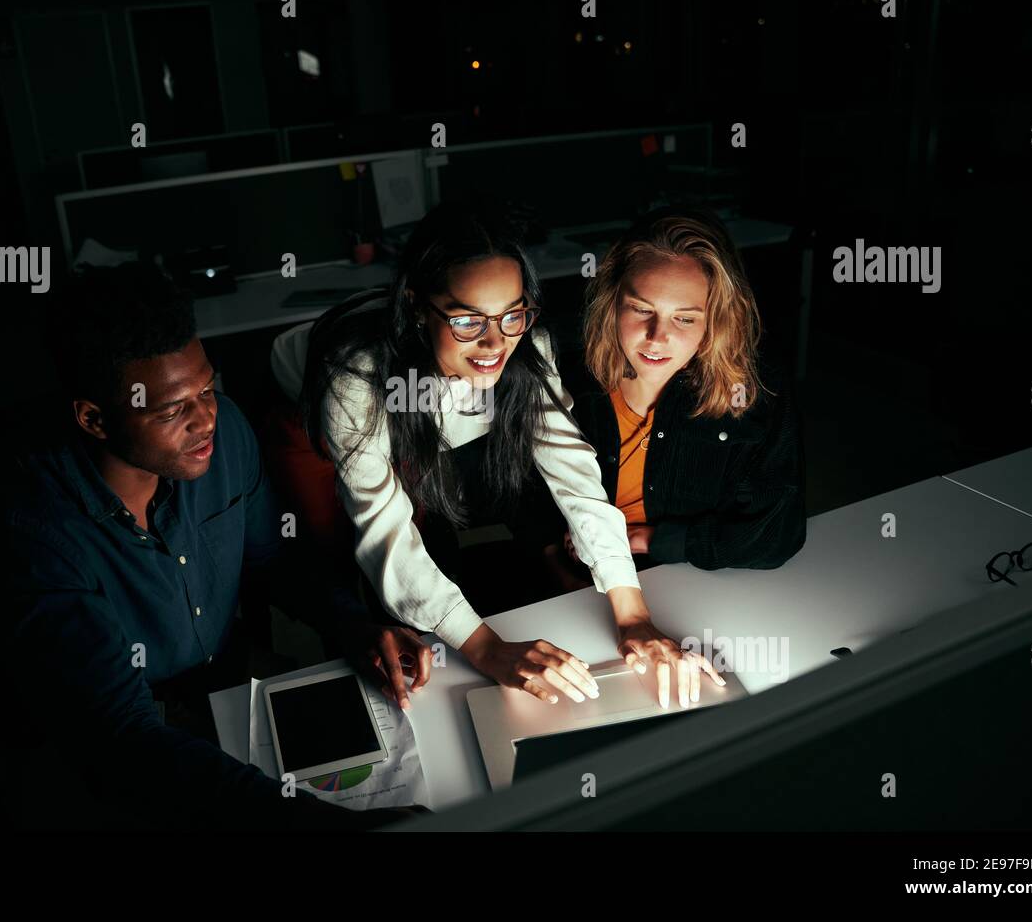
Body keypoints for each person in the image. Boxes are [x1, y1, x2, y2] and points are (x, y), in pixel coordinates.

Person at [0, 263, 402, 830]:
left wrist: (352, 623)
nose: (205, 418)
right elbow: (124, 740)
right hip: (132, 748)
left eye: (207, 388)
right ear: (94, 419)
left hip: (227, 690)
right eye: (171, 410)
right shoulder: (41, 534)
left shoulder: (225, 433)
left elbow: (272, 561)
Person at [269, 202, 725, 709]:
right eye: (467, 318)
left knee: (431, 533)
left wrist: (631, 613)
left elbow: (575, 476)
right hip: (312, 411)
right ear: (419, 306)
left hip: (430, 396)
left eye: (512, 313)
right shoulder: (355, 377)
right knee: (344, 553)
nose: (494, 342)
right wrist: (486, 650)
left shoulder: (529, 348)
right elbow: (385, 534)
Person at [557, 208, 806, 577]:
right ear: (613, 301)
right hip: (575, 582)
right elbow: (525, 500)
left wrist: (653, 540)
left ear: (716, 318)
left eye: (685, 318)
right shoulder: (568, 374)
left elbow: (776, 536)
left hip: (693, 581)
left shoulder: (755, 390)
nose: (658, 337)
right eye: (642, 309)